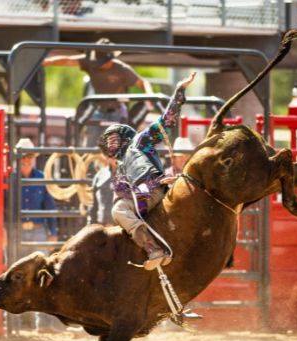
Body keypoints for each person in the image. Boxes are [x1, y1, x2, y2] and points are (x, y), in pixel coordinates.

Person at [99, 72, 196, 271]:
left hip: (152, 192)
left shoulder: (141, 142)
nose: (111, 143)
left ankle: (153, 248)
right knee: (118, 208)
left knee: (118, 209)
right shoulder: (120, 170)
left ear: (124, 136)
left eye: (114, 138)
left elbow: (166, 121)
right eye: (109, 141)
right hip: (142, 196)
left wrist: (179, 91)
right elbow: (121, 192)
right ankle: (151, 248)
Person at [42, 38, 153, 147]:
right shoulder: (90, 63)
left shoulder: (122, 69)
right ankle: (89, 162)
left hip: (117, 111)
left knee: (116, 146)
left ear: (111, 58)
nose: (103, 64)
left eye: (105, 61)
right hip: (97, 109)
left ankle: (115, 163)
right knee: (91, 144)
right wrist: (45, 61)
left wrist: (149, 96)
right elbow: (67, 60)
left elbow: (142, 82)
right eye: (101, 61)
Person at [7, 138, 62, 334]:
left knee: (40, 275)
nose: (27, 160)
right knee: (16, 276)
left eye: (30, 156)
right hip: (17, 230)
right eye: (24, 156)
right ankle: (14, 325)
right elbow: (5, 208)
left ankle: (43, 324)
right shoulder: (10, 179)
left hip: (38, 230)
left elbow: (50, 207)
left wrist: (53, 233)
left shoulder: (40, 178)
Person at [88, 157, 116, 226]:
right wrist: (90, 225)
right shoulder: (100, 175)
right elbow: (94, 205)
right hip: (102, 223)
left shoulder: (129, 175)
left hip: (122, 225)